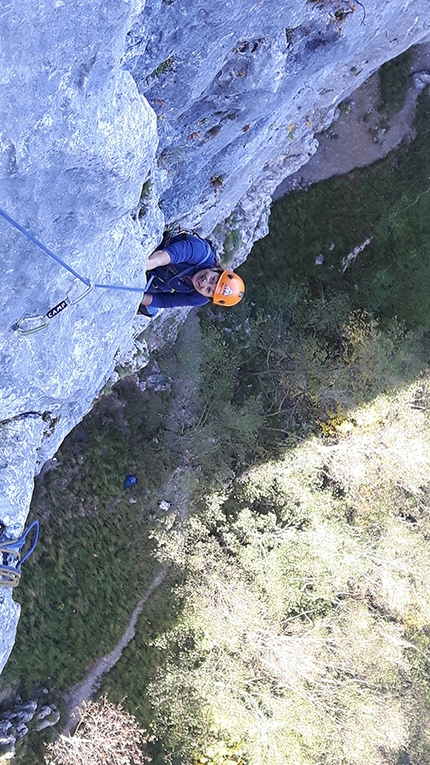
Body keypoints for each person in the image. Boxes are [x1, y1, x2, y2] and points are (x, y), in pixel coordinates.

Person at [138, 232, 244, 317]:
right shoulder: (201, 252)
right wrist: (149, 263)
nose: (204, 283)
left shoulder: (200, 298)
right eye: (212, 279)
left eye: (208, 290)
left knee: (150, 310)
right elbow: (171, 254)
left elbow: (166, 301)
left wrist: (139, 298)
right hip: (158, 254)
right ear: (216, 269)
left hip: (155, 279)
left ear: (208, 297)